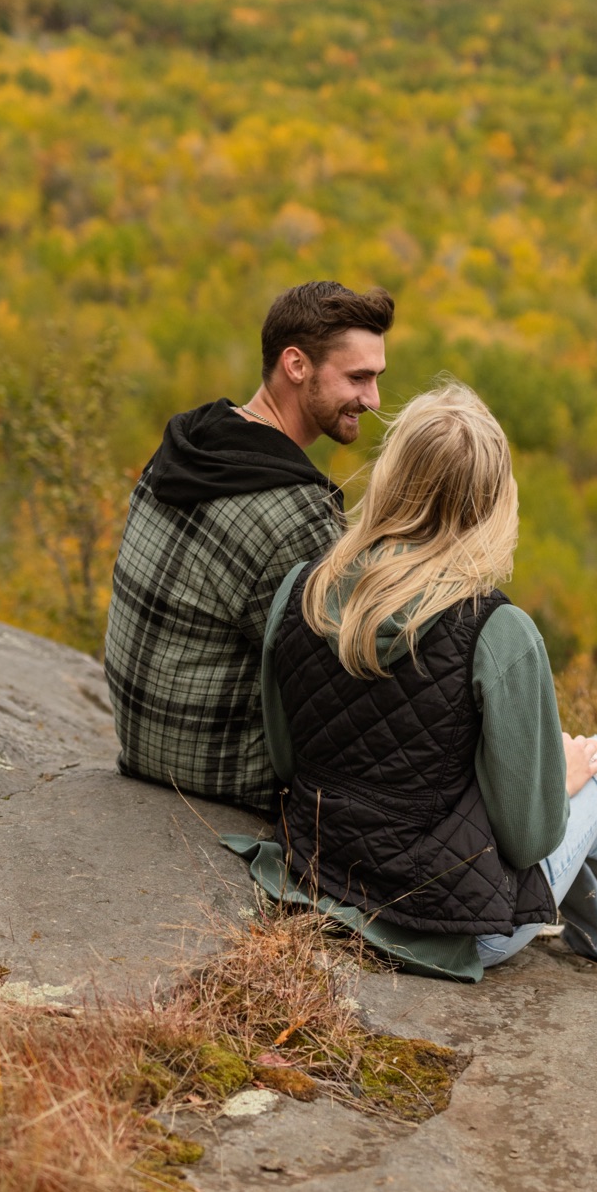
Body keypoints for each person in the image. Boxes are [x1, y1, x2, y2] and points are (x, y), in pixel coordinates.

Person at [231, 380, 597, 985]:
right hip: (450, 928)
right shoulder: (498, 631)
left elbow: (287, 760)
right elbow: (529, 841)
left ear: (389, 476)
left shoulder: (301, 588)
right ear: (491, 502)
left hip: (319, 878)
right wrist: (562, 778)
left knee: (555, 767)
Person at [104, 280, 394, 813]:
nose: (373, 400)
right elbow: (345, 680)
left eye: (375, 378)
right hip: (221, 777)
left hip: (143, 743)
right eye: (358, 378)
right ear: (296, 365)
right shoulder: (292, 513)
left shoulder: (189, 447)